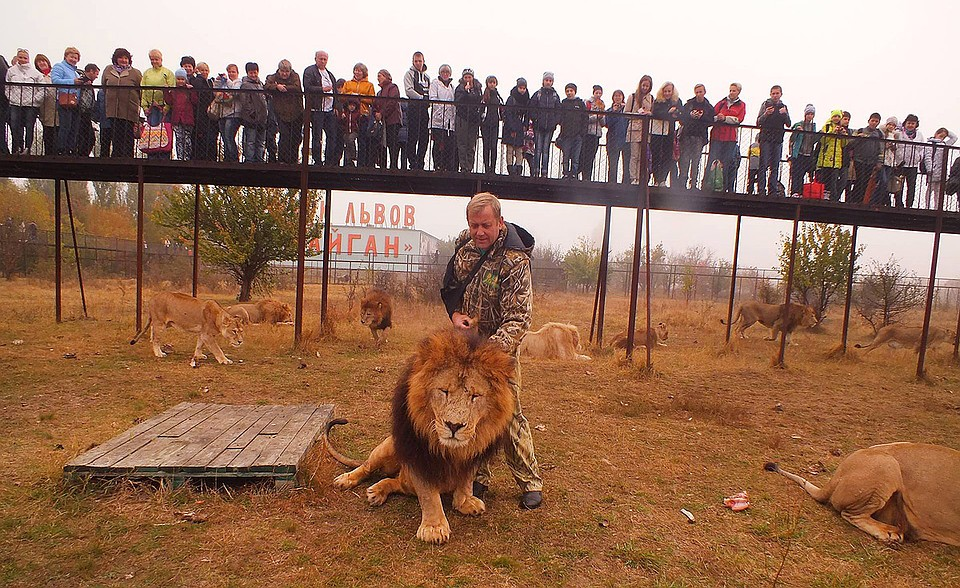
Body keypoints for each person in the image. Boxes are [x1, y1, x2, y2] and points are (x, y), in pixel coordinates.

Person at [441, 192, 544, 510]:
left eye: (486, 225)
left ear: (500, 222)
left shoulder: (515, 260)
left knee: (508, 415)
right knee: (469, 413)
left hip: (499, 355)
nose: (479, 232)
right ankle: (477, 479)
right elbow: (452, 287)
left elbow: (520, 318)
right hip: (465, 352)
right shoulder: (464, 246)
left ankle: (530, 481)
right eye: (474, 225)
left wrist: (487, 355)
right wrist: (455, 315)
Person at [708, 83, 746, 193]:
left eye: (734, 90)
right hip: (717, 136)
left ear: (738, 92)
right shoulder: (721, 103)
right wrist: (718, 118)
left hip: (730, 138)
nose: (731, 92)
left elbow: (739, 119)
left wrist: (725, 118)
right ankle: (710, 185)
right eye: (730, 90)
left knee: (726, 162)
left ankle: (723, 187)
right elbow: (711, 116)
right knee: (713, 161)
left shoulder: (741, 105)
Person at [5, 49, 44, 155]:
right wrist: (11, 97)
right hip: (15, 103)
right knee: (14, 125)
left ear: (28, 59)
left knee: (29, 126)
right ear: (17, 58)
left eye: (25, 57)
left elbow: (42, 89)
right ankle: (17, 147)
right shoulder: (11, 71)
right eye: (20, 57)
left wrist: (35, 99)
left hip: (31, 105)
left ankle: (27, 148)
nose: (22, 59)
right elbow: (7, 86)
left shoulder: (36, 73)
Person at [265, 59, 304, 164]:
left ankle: (293, 159)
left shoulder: (295, 76)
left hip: (296, 112)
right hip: (281, 112)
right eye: (282, 71)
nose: (284, 74)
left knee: (296, 137)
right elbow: (267, 85)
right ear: (279, 70)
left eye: (287, 72)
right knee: (284, 136)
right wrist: (276, 86)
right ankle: (282, 159)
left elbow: (297, 87)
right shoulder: (273, 77)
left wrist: (285, 87)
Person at [755, 85, 791, 196]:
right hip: (765, 138)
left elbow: (788, 124)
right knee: (763, 164)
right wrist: (766, 114)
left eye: (777, 93)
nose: (775, 95)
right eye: (773, 93)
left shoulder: (783, 106)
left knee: (775, 165)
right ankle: (761, 189)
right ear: (770, 94)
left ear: (781, 94)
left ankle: (773, 190)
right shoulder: (765, 104)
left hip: (778, 139)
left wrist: (784, 114)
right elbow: (758, 121)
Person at [302, 51, 337, 165]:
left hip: (329, 109)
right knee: (317, 136)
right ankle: (317, 160)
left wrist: (336, 106)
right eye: (320, 59)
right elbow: (307, 87)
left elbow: (335, 91)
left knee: (332, 136)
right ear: (315, 59)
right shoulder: (309, 71)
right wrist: (322, 89)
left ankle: (329, 161)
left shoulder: (330, 74)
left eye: (325, 59)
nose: (322, 61)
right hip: (317, 109)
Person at [678, 84, 712, 189]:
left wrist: (702, 117)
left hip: (700, 136)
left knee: (696, 160)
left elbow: (711, 121)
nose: (698, 94)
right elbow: (681, 118)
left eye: (700, 92)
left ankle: (693, 184)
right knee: (685, 159)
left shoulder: (708, 106)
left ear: (704, 92)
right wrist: (690, 115)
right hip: (687, 134)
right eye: (697, 92)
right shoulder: (689, 104)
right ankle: (683, 182)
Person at [51, 47, 83, 155]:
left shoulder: (76, 72)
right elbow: (55, 80)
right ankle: (61, 149)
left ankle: (70, 148)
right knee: (66, 126)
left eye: (76, 57)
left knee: (74, 127)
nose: (74, 59)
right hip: (64, 100)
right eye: (71, 57)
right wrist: (73, 82)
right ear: (66, 56)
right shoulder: (59, 66)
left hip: (75, 102)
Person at [343, 63, 375, 167]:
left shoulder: (369, 85)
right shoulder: (348, 83)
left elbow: (372, 99)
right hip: (349, 114)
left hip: (363, 115)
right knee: (348, 138)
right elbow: (342, 96)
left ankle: (361, 163)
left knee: (362, 140)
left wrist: (360, 97)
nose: (357, 72)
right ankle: (349, 161)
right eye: (355, 70)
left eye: (359, 70)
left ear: (364, 72)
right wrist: (351, 95)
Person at [529, 72, 561, 178]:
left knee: (546, 149)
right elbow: (532, 108)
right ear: (543, 81)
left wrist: (554, 122)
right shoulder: (538, 94)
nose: (548, 82)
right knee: (538, 149)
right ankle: (536, 170)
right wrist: (536, 119)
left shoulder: (555, 96)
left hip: (549, 127)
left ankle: (544, 171)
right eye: (547, 80)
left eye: (550, 80)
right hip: (538, 126)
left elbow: (558, 111)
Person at [847, 113, 884, 205]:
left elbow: (881, 149)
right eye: (872, 120)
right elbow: (850, 144)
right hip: (859, 159)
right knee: (859, 180)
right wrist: (858, 138)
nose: (874, 123)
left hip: (871, 161)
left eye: (876, 121)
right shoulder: (859, 131)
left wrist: (879, 162)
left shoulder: (879, 134)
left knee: (866, 182)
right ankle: (853, 200)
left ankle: (861, 201)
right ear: (869, 121)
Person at [650, 81, 681, 186]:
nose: (667, 93)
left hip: (669, 132)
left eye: (669, 91)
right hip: (657, 132)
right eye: (665, 91)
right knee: (656, 156)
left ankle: (662, 179)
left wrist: (674, 113)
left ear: (672, 92)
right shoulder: (658, 101)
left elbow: (681, 113)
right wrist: (669, 112)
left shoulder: (677, 101)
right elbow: (657, 113)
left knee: (667, 156)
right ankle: (656, 179)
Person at [403, 51, 430, 170]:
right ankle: (412, 162)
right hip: (413, 108)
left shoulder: (427, 77)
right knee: (413, 136)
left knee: (424, 137)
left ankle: (420, 162)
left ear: (424, 61)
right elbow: (408, 90)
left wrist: (428, 100)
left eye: (420, 61)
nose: (418, 63)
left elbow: (430, 92)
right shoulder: (409, 74)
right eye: (416, 61)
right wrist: (421, 97)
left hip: (424, 110)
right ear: (413, 62)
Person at [625, 75, 653, 185]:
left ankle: (641, 178)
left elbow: (652, 112)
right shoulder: (632, 96)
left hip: (646, 130)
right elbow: (626, 113)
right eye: (644, 85)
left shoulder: (651, 98)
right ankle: (633, 178)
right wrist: (638, 114)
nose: (645, 88)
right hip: (634, 129)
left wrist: (649, 113)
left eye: (647, 86)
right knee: (634, 155)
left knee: (643, 156)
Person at [815, 109, 848, 200]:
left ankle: (833, 196)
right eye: (834, 116)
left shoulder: (842, 128)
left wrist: (844, 135)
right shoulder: (827, 126)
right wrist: (832, 132)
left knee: (834, 178)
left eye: (838, 116)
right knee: (825, 177)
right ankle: (824, 194)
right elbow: (823, 141)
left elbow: (844, 144)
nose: (836, 118)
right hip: (826, 156)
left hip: (836, 157)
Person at [454, 68, 482, 173]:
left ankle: (470, 166)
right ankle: (463, 166)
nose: (467, 79)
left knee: (471, 144)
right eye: (465, 77)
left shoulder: (478, 88)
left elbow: (479, 101)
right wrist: (466, 92)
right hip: (462, 118)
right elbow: (458, 101)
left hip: (473, 119)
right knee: (462, 143)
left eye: (469, 77)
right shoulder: (459, 88)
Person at [429, 64, 456, 172]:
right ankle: (437, 164)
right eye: (443, 72)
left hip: (449, 121)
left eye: (447, 72)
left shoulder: (452, 87)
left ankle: (446, 165)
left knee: (448, 144)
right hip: (438, 119)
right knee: (438, 143)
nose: (445, 74)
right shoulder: (435, 83)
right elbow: (433, 98)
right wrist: (442, 108)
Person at [923, 127, 958, 210]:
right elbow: (927, 157)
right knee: (930, 190)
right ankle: (927, 206)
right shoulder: (931, 143)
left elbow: (954, 138)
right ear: (936, 134)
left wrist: (946, 131)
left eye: (943, 137)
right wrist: (929, 168)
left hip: (942, 171)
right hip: (933, 170)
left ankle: (937, 207)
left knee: (938, 191)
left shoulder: (944, 144)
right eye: (940, 135)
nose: (941, 138)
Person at [166, 68, 198, 160]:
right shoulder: (174, 91)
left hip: (187, 119)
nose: (180, 81)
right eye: (178, 79)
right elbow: (169, 102)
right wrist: (166, 91)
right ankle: (180, 157)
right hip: (177, 119)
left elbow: (195, 101)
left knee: (187, 139)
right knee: (179, 139)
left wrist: (192, 91)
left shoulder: (188, 90)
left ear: (185, 80)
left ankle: (187, 157)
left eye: (182, 79)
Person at [557, 82, 587, 180]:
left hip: (578, 135)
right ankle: (565, 173)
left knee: (576, 156)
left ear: (575, 92)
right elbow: (560, 118)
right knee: (566, 156)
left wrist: (582, 133)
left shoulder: (580, 104)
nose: (569, 93)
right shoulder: (564, 103)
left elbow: (585, 118)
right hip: (566, 134)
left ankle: (574, 173)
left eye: (571, 91)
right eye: (567, 91)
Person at [239, 62, 267, 163]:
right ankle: (249, 159)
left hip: (262, 117)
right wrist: (251, 112)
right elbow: (245, 101)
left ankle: (259, 159)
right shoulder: (245, 85)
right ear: (247, 73)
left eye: (255, 72)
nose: (253, 75)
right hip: (251, 117)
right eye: (251, 73)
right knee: (250, 140)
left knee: (260, 141)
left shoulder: (260, 84)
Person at [895, 114, 925, 208]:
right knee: (899, 186)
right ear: (905, 123)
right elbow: (896, 145)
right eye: (909, 123)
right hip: (901, 163)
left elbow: (922, 148)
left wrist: (919, 157)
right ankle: (898, 204)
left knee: (911, 186)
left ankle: (909, 205)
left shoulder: (919, 135)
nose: (910, 125)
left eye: (913, 123)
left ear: (916, 124)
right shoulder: (900, 133)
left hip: (913, 164)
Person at [374, 69, 401, 169]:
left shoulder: (392, 87)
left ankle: (393, 164)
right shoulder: (380, 92)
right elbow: (376, 105)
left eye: (380, 75)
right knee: (383, 143)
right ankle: (383, 164)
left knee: (392, 142)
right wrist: (376, 113)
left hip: (392, 120)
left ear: (386, 77)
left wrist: (382, 113)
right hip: (384, 121)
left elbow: (392, 102)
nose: (378, 78)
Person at [788, 104, 817, 196]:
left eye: (811, 114)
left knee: (803, 173)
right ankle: (794, 191)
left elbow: (814, 140)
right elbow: (792, 139)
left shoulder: (813, 126)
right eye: (808, 113)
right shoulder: (798, 124)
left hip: (808, 153)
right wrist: (797, 131)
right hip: (799, 152)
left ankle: (801, 192)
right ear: (805, 114)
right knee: (796, 173)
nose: (810, 116)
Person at [502, 78, 529, 177]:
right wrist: (512, 128)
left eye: (524, 88)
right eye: (520, 88)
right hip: (511, 126)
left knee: (519, 150)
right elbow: (508, 114)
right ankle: (510, 169)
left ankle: (518, 168)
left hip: (520, 126)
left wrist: (525, 125)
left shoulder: (526, 99)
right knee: (510, 149)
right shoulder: (511, 98)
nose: (522, 90)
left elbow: (527, 113)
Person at [192, 62, 218, 161]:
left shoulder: (211, 82)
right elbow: (199, 87)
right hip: (201, 114)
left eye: (206, 70)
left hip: (211, 113)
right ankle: (201, 158)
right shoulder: (197, 81)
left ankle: (212, 158)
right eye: (202, 70)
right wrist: (198, 75)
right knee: (201, 137)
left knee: (211, 138)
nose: (205, 72)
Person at [34, 54, 58, 156]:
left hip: (57, 106)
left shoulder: (55, 74)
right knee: (48, 131)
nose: (42, 63)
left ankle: (58, 153)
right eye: (39, 62)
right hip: (45, 107)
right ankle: (49, 154)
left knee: (58, 130)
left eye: (43, 61)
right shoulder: (37, 76)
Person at [580, 85, 604, 181]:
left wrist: (602, 116)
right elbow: (586, 118)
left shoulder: (602, 104)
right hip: (588, 133)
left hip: (597, 134)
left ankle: (588, 177)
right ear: (593, 93)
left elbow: (603, 123)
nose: (598, 95)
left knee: (592, 156)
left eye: (600, 93)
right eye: (596, 93)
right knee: (585, 156)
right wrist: (596, 116)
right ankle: (583, 175)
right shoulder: (588, 103)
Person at [605, 89, 629, 183]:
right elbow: (608, 123)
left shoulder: (627, 109)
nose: (618, 97)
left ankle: (625, 183)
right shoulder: (609, 110)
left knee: (626, 164)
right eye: (616, 96)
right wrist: (614, 112)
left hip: (626, 139)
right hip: (613, 139)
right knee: (613, 164)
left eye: (619, 96)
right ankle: (612, 182)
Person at [480, 75, 503, 174]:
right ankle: (486, 168)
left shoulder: (498, 96)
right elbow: (481, 108)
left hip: (495, 123)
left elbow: (502, 107)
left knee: (493, 146)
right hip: (485, 123)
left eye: (493, 82)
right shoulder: (484, 96)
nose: (492, 84)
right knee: (486, 146)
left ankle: (492, 168)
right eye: (490, 82)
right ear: (487, 84)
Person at [76, 63, 100, 157]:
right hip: (81, 112)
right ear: (90, 71)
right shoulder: (81, 80)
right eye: (96, 74)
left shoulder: (88, 83)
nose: (96, 77)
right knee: (86, 136)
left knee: (88, 137)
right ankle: (81, 154)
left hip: (86, 113)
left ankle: (82, 154)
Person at [339, 98, 361, 166]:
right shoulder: (345, 113)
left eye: (353, 106)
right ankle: (349, 160)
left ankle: (353, 155)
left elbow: (359, 122)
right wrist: (342, 118)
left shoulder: (357, 114)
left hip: (354, 131)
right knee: (347, 144)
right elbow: (342, 122)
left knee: (351, 139)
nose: (352, 107)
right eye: (350, 105)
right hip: (346, 131)